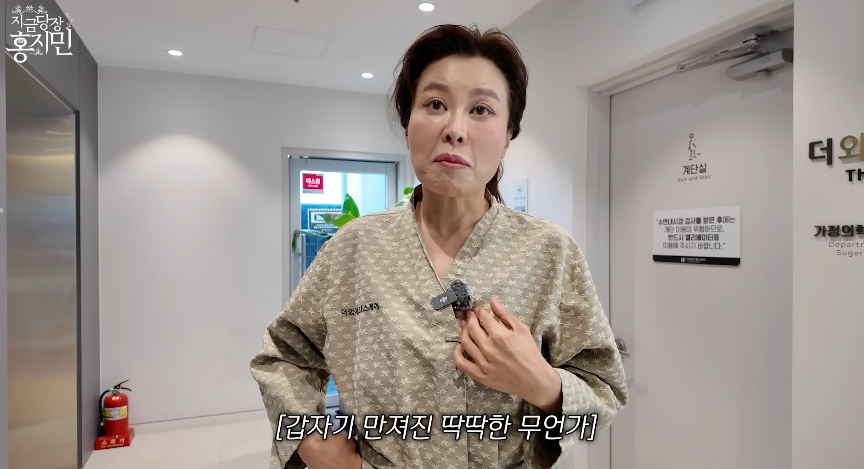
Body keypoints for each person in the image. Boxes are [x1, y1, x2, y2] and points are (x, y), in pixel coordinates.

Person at [250, 24, 628, 469]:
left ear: (508, 135)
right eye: (435, 104)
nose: (455, 129)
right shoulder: (354, 248)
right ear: (407, 125)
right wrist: (314, 445)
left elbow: (603, 397)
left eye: (481, 109)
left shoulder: (549, 252)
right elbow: (283, 355)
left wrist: (543, 384)